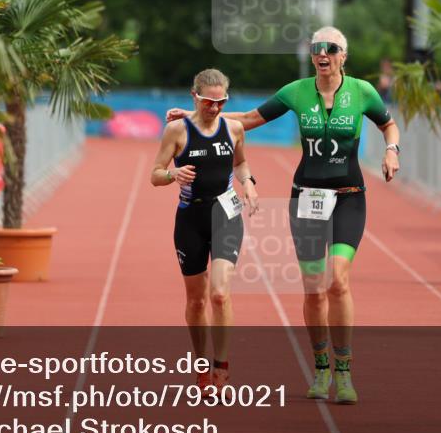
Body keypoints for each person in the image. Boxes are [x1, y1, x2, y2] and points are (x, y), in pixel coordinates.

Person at [166, 27, 400, 404]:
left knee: (337, 280)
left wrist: (393, 150)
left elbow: (388, 123)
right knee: (313, 286)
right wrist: (198, 115)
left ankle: (344, 372)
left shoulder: (363, 92)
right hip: (306, 197)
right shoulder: (296, 91)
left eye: (331, 48)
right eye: (317, 49)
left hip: (349, 196)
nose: (323, 54)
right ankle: (320, 368)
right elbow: (251, 118)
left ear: (344, 54)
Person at [151, 68, 259, 395]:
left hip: (226, 212)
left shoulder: (235, 128)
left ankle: (221, 369)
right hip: (190, 218)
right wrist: (173, 175)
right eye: (209, 102)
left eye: (221, 102)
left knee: (220, 293)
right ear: (194, 97)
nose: (215, 108)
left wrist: (249, 184)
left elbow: (240, 163)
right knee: (196, 302)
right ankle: (201, 367)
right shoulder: (176, 131)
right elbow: (155, 174)